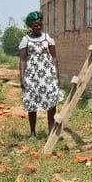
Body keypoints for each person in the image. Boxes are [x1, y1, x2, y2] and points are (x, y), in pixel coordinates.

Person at [18, 10, 64, 138]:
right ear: (30, 26)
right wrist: (22, 79)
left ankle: (51, 131)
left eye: (40, 25)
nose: (38, 27)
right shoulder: (25, 40)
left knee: (51, 101)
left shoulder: (48, 38)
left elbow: (54, 58)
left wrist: (56, 75)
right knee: (32, 103)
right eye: (35, 25)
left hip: (47, 75)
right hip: (32, 76)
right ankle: (33, 132)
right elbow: (22, 60)